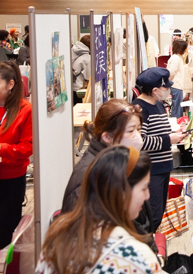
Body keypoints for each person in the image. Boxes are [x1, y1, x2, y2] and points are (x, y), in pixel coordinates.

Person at [37, 146, 162, 274]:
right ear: (121, 193)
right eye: (143, 188)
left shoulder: (57, 238)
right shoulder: (136, 257)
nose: (147, 195)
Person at [60, 100, 157, 251]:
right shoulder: (90, 177)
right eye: (131, 131)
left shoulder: (118, 162)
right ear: (107, 137)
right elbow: (85, 240)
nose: (138, 137)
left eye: (139, 129)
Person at [132, 67, 187, 230]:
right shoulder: (140, 109)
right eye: (165, 87)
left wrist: (174, 134)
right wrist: (168, 139)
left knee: (159, 210)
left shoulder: (158, 104)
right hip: (151, 170)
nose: (168, 90)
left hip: (163, 167)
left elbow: (159, 132)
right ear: (155, 90)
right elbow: (139, 142)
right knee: (153, 215)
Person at [0, 61, 32, 249]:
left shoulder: (25, 110)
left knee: (6, 231)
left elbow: (27, 148)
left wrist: (2, 149)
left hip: (11, 180)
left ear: (10, 84)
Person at [167, 39, 187, 118]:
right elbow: (171, 72)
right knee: (177, 109)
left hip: (177, 86)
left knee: (178, 108)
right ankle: (176, 123)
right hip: (176, 86)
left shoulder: (178, 58)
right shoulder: (176, 58)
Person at [71, 35, 91, 105]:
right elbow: (89, 77)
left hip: (70, 85)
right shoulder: (87, 58)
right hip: (77, 88)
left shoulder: (73, 50)